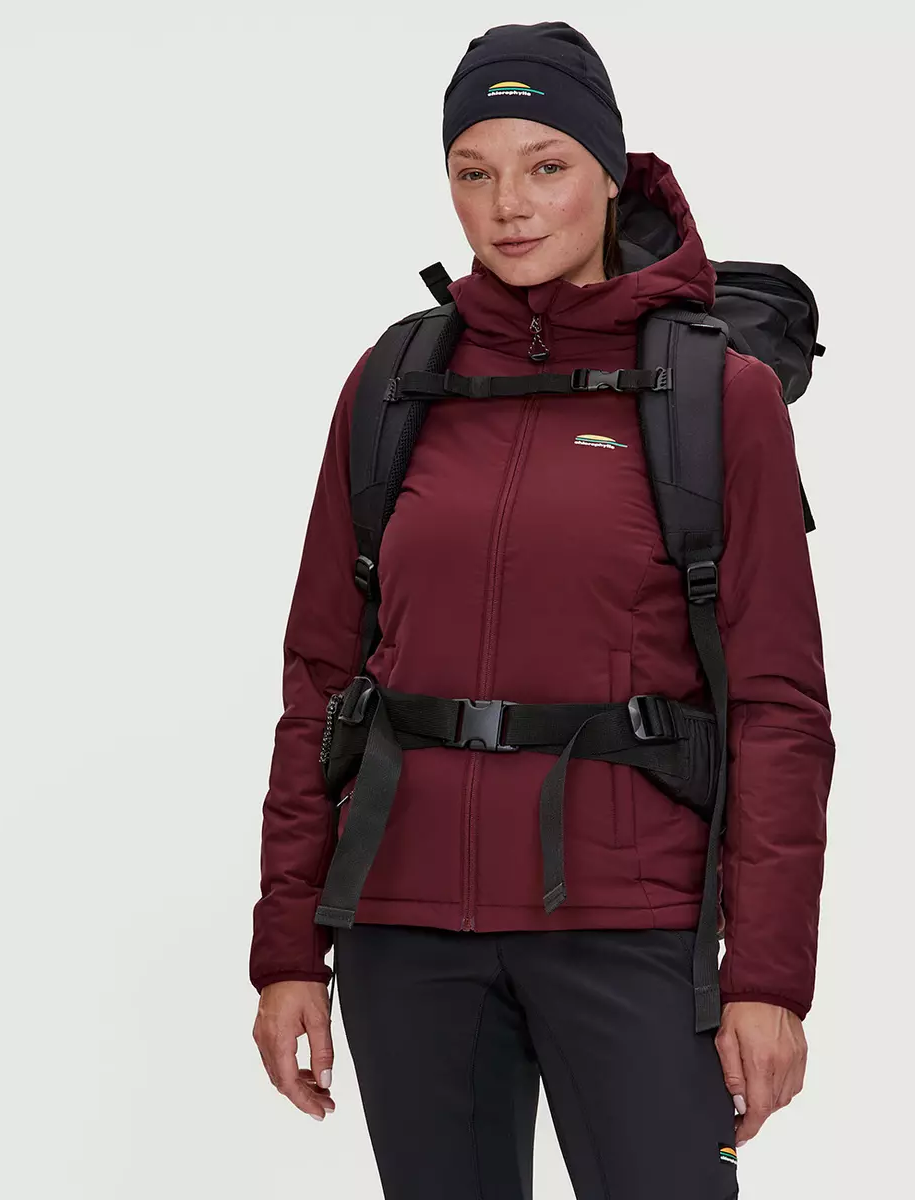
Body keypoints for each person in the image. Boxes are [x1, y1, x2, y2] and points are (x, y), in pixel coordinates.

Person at [250, 20, 835, 1199]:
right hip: (405, 928)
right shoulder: (394, 382)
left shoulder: (718, 394)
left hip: (629, 923)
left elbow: (778, 707)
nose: (508, 204)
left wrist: (769, 979)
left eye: (545, 164)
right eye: (474, 172)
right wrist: (287, 952)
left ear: (611, 172)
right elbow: (321, 678)